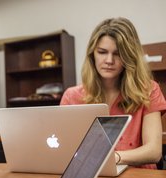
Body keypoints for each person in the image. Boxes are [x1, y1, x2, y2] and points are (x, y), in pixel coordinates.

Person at [60, 17, 166, 169]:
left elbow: (154, 152)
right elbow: (63, 147)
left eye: (117, 54)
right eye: (102, 52)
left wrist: (110, 159)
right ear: (92, 54)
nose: (109, 60)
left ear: (129, 56)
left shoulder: (148, 90)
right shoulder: (72, 96)